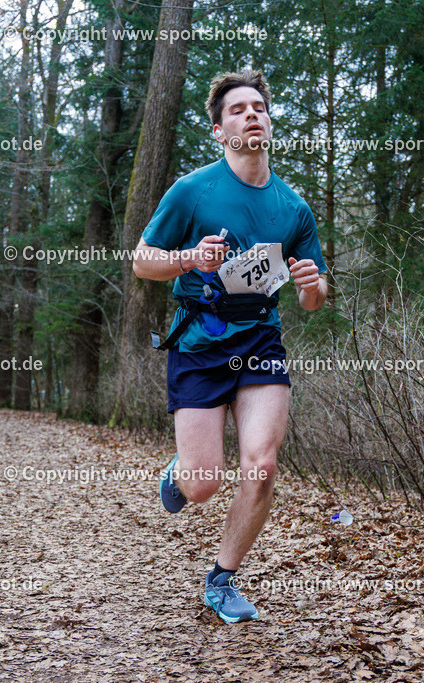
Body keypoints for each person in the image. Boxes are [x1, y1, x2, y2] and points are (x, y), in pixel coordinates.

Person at [132, 69, 328, 623]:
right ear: (219, 130)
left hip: (261, 338)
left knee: (262, 465)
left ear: (269, 121)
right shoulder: (193, 191)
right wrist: (190, 259)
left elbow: (314, 298)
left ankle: (222, 579)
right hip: (199, 341)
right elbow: (143, 261)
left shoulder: (294, 208)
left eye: (259, 107)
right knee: (201, 486)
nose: (252, 115)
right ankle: (180, 472)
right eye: (238, 109)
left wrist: (313, 287)